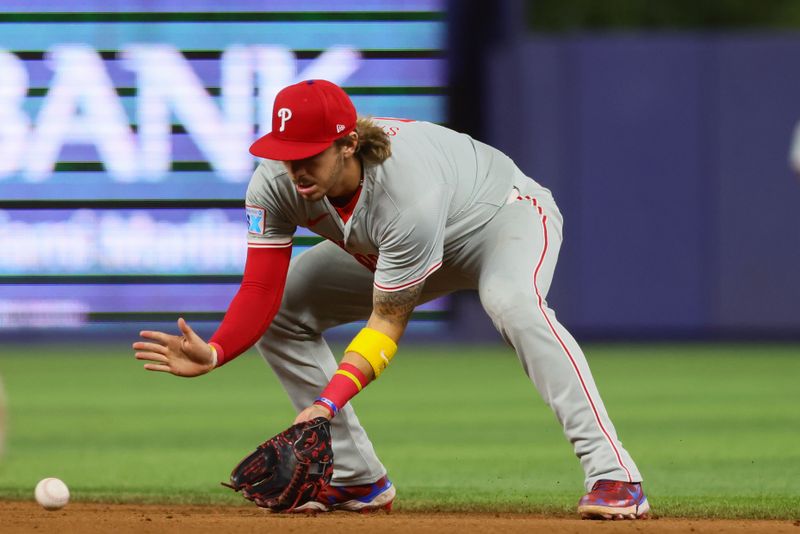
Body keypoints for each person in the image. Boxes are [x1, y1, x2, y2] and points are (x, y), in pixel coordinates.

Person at [132, 79, 649, 519]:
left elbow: (386, 324)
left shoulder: (405, 193)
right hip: (389, 249)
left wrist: (324, 404)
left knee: (513, 303)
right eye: (285, 154)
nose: (295, 169)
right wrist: (219, 350)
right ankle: (358, 480)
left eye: (308, 155)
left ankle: (615, 474)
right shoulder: (275, 182)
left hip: (498, 219)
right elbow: (262, 288)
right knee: (287, 312)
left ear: (348, 144)